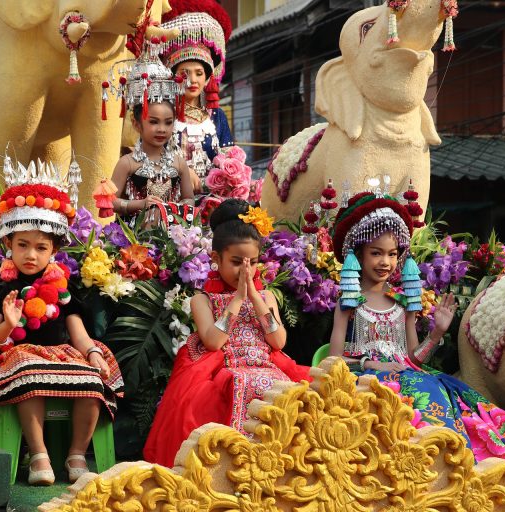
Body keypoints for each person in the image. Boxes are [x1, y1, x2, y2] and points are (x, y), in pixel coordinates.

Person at [328, 191, 505, 473]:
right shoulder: (349, 303)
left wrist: (435, 335)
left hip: (406, 376)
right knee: (423, 388)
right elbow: (333, 359)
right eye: (376, 253)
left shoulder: (403, 302)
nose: (385, 262)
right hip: (368, 379)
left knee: (452, 396)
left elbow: (413, 359)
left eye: (393, 254)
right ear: (358, 255)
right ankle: (448, 458)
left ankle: (470, 458)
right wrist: (372, 364)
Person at [0, 158, 124, 486]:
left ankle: (76, 454)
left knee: (90, 380)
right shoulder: (0, 286)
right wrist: (9, 325)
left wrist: (93, 353)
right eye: (22, 245)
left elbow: (77, 332)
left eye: (40, 248)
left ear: (53, 250)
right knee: (30, 372)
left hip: (60, 353)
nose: (31, 255)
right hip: (14, 356)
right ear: (7, 243)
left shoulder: (62, 285)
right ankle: (39, 455)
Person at [143, 199, 309, 467]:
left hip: (267, 364)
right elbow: (213, 340)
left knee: (289, 394)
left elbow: (278, 341)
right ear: (216, 259)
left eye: (253, 263)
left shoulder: (266, 297)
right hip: (226, 368)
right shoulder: (202, 300)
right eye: (236, 262)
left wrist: (254, 297)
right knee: (237, 385)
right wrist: (237, 299)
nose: (246, 270)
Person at [109, 37, 194, 226]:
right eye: (154, 122)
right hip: (132, 239)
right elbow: (109, 201)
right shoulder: (127, 163)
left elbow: (189, 199)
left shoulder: (179, 163)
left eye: (168, 122)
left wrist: (174, 208)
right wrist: (139, 204)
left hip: (173, 236)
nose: (162, 129)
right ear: (137, 123)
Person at [160, 0, 234, 188]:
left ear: (208, 79)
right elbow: (150, 157)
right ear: (172, 77)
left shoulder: (217, 117)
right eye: (184, 73)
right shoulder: (159, 115)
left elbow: (229, 160)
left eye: (199, 73)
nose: (192, 80)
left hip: (213, 201)